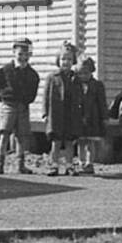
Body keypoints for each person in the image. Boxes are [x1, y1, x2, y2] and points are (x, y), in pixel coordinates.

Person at [0, 37, 39, 174]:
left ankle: (20, 165)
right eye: (20, 54)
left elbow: (33, 91)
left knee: (21, 136)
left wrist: (26, 101)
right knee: (4, 134)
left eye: (26, 54)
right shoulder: (4, 71)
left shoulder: (32, 74)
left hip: (23, 107)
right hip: (8, 105)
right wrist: (5, 98)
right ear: (14, 53)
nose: (23, 57)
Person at [41, 41, 84, 176]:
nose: (66, 62)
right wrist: (45, 113)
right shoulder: (52, 78)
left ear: (74, 61)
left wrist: (81, 112)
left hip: (71, 114)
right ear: (58, 60)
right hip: (56, 114)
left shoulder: (75, 79)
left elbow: (80, 96)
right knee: (56, 141)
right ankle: (53, 165)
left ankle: (69, 165)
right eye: (63, 59)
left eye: (69, 59)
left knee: (70, 141)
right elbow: (45, 97)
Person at [74, 56, 108, 175]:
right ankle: (81, 162)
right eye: (80, 73)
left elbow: (102, 103)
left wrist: (104, 117)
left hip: (93, 117)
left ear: (91, 71)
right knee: (81, 141)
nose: (83, 76)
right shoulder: (75, 84)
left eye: (86, 73)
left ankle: (90, 163)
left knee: (90, 141)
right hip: (79, 116)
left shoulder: (97, 85)